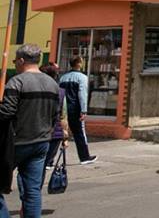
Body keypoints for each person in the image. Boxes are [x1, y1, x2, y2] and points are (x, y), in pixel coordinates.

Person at [0, 44, 61, 218]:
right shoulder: (52, 84)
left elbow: (6, 113)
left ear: (21, 60)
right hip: (41, 142)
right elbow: (55, 115)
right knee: (32, 190)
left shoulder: (17, 81)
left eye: (15, 61)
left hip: (16, 142)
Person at [59, 57, 97, 165]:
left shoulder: (63, 77)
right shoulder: (82, 77)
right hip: (75, 109)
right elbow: (82, 94)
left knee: (59, 133)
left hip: (63, 108)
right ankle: (84, 157)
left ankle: (49, 161)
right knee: (79, 133)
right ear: (79, 64)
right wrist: (84, 110)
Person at [38, 64, 68, 171]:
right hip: (55, 133)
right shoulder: (61, 92)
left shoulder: (33, 90)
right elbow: (63, 115)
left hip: (37, 133)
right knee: (43, 165)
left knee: (31, 166)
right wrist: (65, 136)